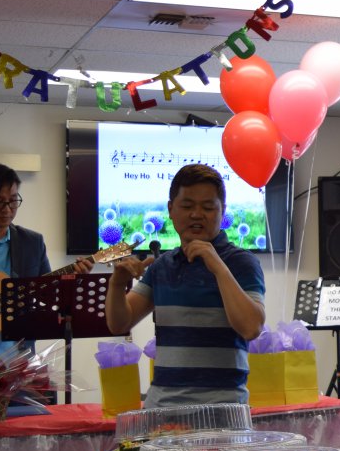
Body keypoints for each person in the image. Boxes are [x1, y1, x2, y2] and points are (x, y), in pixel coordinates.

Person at [105, 163, 265, 406]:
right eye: (187, 206)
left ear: (223, 211)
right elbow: (119, 323)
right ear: (171, 209)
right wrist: (117, 285)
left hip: (222, 410)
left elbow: (251, 328)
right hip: (161, 408)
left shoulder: (241, 262)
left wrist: (218, 266)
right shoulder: (162, 265)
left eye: (208, 207)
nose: (197, 215)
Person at [0, 163, 92, 363]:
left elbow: (48, 295)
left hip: (16, 358)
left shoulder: (32, 242)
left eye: (13, 201)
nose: (7, 209)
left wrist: (74, 279)